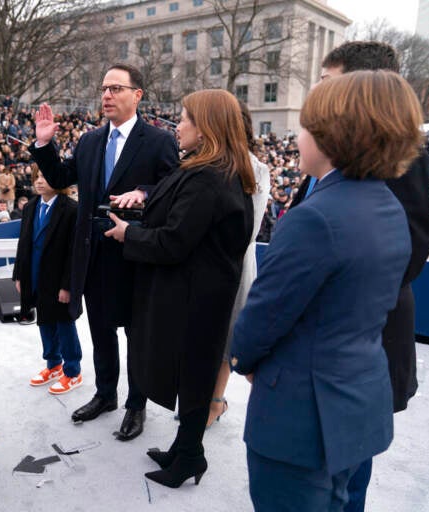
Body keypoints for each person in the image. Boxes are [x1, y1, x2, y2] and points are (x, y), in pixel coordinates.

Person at [231, 70, 421, 512]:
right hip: (356, 407)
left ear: (335, 135)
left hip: (300, 423)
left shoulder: (316, 218)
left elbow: (262, 318)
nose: (297, 137)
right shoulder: (386, 205)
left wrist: (247, 360)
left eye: (305, 126)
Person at [289, 41, 429, 511]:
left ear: (362, 89)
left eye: (329, 84)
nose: (318, 94)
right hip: (313, 350)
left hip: (362, 343)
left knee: (347, 475)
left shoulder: (401, 159)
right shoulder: (330, 153)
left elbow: (405, 255)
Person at [105, 89, 254, 487]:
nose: (178, 126)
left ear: (206, 128)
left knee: (193, 378)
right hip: (193, 296)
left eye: (185, 118)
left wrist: (128, 234)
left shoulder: (210, 176)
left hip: (195, 301)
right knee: (192, 379)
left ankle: (189, 456)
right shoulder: (207, 170)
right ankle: (186, 449)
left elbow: (174, 241)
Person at [30, 63, 179, 441]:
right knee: (100, 331)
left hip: (135, 254)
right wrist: (45, 144)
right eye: (103, 89)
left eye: (116, 88)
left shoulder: (159, 141)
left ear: (137, 95)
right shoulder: (90, 140)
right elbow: (63, 179)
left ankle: (136, 404)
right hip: (93, 254)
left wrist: (144, 192)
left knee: (136, 334)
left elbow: (173, 187)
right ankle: (106, 394)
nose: (107, 95)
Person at [206, 101, 271, 427]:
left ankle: (215, 401)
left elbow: (250, 225)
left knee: (228, 337)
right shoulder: (204, 163)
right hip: (207, 264)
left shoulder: (255, 168)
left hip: (236, 264)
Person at [13, 167, 83, 394]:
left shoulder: (71, 209)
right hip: (34, 274)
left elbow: (74, 251)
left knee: (64, 323)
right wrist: (19, 275)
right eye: (36, 177)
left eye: (44, 176)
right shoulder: (31, 206)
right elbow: (23, 243)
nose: (39, 181)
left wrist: (67, 285)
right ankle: (53, 364)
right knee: (44, 320)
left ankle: (73, 371)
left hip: (58, 277)